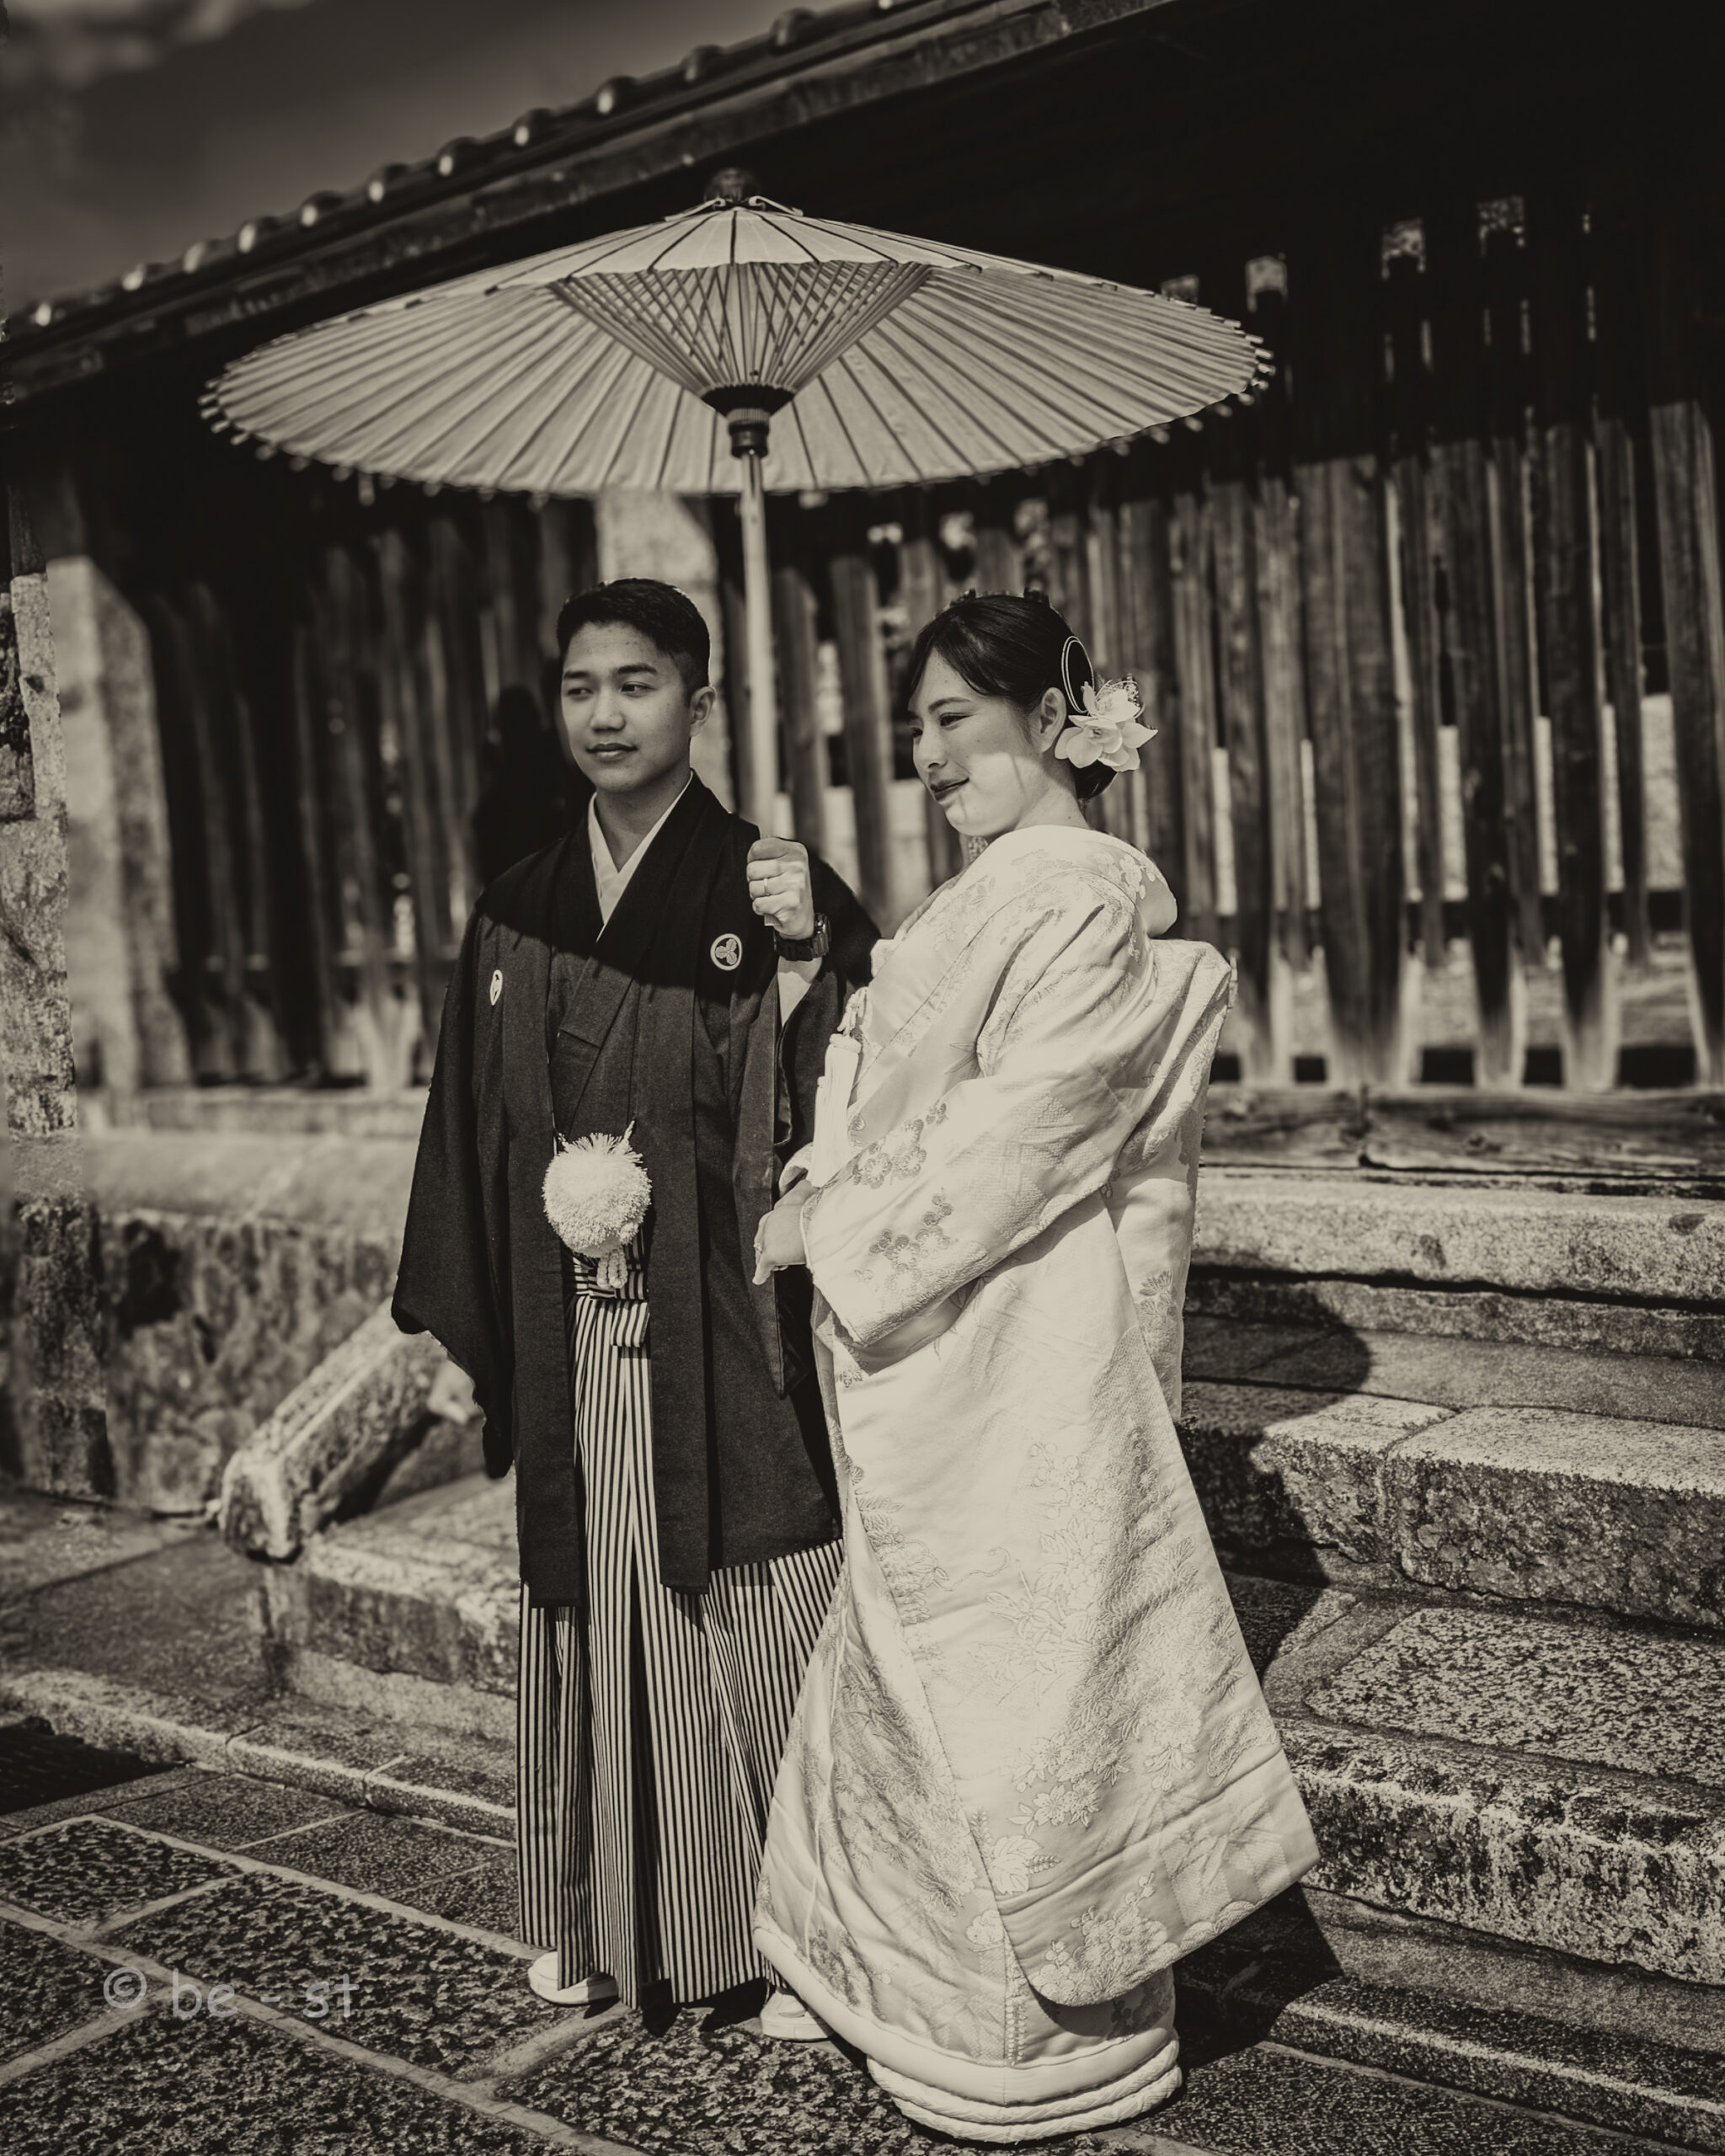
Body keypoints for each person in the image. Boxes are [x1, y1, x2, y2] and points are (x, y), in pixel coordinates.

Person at [750, 592, 1317, 2138]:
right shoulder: (989, 894)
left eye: (953, 719)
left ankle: (1018, 2040)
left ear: (1052, 716)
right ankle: (882, 1982)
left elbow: (1029, 1126)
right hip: (937, 1323)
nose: (928, 756)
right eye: (916, 729)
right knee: (914, 1658)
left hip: (1014, 1328)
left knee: (1005, 1678)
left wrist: (838, 1220)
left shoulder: (1078, 897)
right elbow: (894, 1089)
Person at [393, 578, 875, 2028]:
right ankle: (599, 1906)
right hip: (568, 1323)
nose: (606, 714)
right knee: (591, 1599)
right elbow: (471, 1125)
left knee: (743, 1585)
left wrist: (814, 952)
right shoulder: (518, 906)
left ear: (701, 700)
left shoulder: (763, 886)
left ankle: (773, 1925)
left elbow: (859, 1093)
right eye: (581, 687)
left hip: (715, 1317)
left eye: (640, 683)